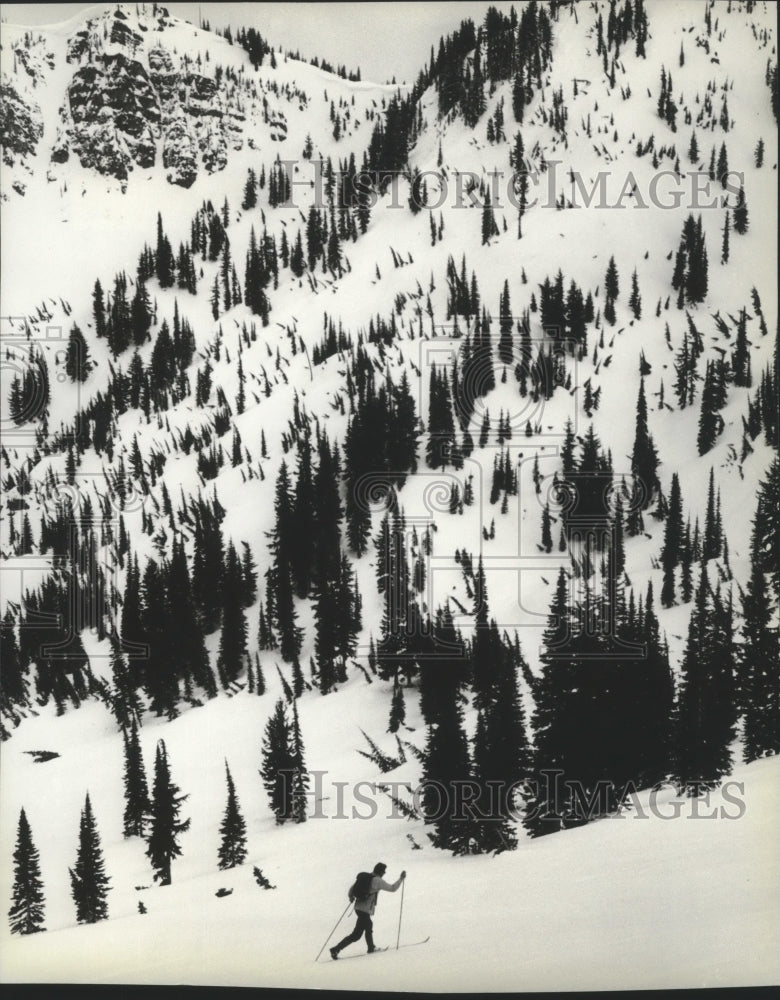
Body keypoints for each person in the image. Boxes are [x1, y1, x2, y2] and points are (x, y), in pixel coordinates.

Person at [330, 863, 405, 958]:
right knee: (366, 926)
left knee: (357, 934)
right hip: (365, 909)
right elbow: (392, 888)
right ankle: (371, 948)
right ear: (381, 872)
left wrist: (351, 897)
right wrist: (401, 878)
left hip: (358, 908)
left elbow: (351, 889)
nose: (384, 873)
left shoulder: (366, 877)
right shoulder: (378, 881)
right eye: (384, 871)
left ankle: (335, 949)